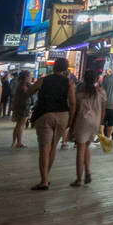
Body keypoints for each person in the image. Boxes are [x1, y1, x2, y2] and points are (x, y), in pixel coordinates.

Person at [27, 58, 75, 190]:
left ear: (53, 67)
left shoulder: (44, 80)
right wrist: (71, 118)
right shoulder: (69, 82)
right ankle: (46, 177)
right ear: (66, 69)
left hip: (45, 114)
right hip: (62, 116)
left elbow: (29, 92)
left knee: (44, 148)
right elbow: (72, 102)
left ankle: (44, 181)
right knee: (53, 146)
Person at [67, 69, 106, 186]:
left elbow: (74, 110)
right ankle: (87, 171)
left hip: (82, 122)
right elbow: (103, 111)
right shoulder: (101, 92)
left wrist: (70, 123)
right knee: (86, 147)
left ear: (84, 79)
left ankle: (79, 179)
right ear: (96, 79)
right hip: (95, 123)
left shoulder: (79, 94)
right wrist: (99, 123)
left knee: (80, 150)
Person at [10, 71, 32, 148]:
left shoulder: (20, 83)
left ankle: (14, 142)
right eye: (30, 76)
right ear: (26, 77)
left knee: (18, 125)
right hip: (24, 106)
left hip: (19, 105)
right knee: (20, 125)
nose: (31, 77)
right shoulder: (24, 84)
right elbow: (26, 92)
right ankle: (18, 142)